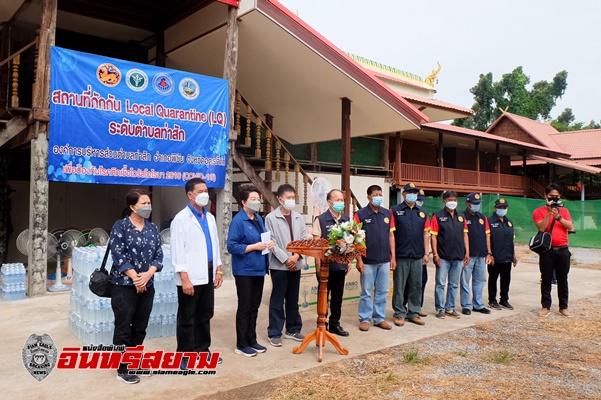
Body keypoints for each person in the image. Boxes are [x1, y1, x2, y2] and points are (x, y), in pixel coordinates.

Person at [109, 188, 163, 384]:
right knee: (124, 328)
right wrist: (135, 277)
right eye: (144, 203)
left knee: (140, 327)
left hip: (147, 285)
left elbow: (159, 255)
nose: (148, 206)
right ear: (132, 206)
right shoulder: (120, 226)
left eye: (149, 203)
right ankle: (122, 369)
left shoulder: (152, 228)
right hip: (123, 286)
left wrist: (147, 275)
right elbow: (118, 255)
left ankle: (135, 361)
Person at [171, 178, 223, 368]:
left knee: (205, 315)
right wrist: (184, 278)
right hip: (190, 276)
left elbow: (215, 245)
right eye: (200, 191)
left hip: (208, 273)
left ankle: (202, 350)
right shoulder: (181, 219)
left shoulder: (208, 217)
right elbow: (177, 251)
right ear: (190, 195)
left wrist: (218, 269)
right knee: (187, 317)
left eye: (206, 190)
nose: (205, 194)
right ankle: (184, 355)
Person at [227, 186, 275, 357]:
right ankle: (241, 344)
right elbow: (231, 246)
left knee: (254, 307)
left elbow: (264, 237)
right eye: (253, 199)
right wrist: (253, 246)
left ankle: (252, 340)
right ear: (243, 202)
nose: (257, 202)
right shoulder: (238, 221)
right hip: (244, 270)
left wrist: (270, 243)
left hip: (258, 269)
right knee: (245, 307)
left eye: (258, 198)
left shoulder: (257, 218)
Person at [265, 184, 310, 347]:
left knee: (293, 298)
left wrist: (297, 256)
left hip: (296, 264)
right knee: (277, 299)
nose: (291, 200)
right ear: (280, 199)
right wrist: (286, 259)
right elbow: (272, 242)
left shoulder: (298, 217)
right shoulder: (271, 218)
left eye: (293, 197)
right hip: (279, 265)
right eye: (288, 198)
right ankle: (274, 332)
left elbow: (304, 239)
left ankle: (293, 329)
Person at [354, 185, 394, 331]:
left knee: (383, 291)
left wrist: (393, 257)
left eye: (380, 194)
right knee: (366, 291)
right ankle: (365, 318)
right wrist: (359, 260)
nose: (378, 197)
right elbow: (356, 238)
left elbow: (391, 235)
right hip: (367, 260)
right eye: (376, 195)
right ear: (368, 197)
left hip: (384, 260)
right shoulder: (360, 214)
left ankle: (379, 318)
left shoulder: (387, 214)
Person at [312, 189, 350, 337]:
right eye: (337, 200)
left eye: (342, 200)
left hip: (340, 266)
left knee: (337, 297)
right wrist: (317, 266)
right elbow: (316, 246)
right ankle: (322, 324)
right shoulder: (320, 219)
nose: (340, 203)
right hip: (325, 267)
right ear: (329, 202)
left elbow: (350, 244)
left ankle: (335, 324)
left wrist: (348, 262)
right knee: (323, 296)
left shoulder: (346, 220)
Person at [391, 183, 430, 327]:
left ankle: (413, 312)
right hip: (401, 254)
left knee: (416, 285)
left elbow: (426, 234)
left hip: (418, 255)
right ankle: (399, 313)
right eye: (409, 192)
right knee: (400, 286)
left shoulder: (423, 212)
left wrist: (426, 253)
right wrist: (393, 255)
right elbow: (391, 235)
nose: (412, 195)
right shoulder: (395, 210)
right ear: (403, 194)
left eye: (414, 192)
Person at [533, 184, 574, 317]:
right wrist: (549, 213)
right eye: (551, 196)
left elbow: (570, 226)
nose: (554, 199)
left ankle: (564, 306)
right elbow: (541, 228)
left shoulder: (565, 211)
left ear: (560, 197)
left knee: (563, 279)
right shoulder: (538, 211)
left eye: (556, 196)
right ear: (546, 196)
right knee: (546, 278)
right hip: (547, 250)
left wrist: (558, 217)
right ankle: (545, 306)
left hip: (562, 249)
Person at [430, 191, 469, 319]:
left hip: (458, 256)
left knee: (454, 284)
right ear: (444, 201)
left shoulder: (461, 216)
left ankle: (450, 308)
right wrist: (435, 254)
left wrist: (467, 252)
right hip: (443, 256)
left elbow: (465, 235)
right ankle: (440, 308)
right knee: (440, 283)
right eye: (450, 199)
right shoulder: (438, 216)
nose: (453, 202)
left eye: (455, 199)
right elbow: (434, 236)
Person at [460, 193, 492, 315]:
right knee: (465, 281)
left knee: (480, 280)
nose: (476, 205)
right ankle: (466, 305)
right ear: (468, 203)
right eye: (474, 203)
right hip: (468, 255)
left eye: (478, 203)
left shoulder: (483, 218)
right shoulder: (462, 216)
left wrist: (489, 252)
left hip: (481, 254)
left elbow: (487, 236)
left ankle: (478, 305)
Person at [488, 198, 518, 310]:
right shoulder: (490, 221)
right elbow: (487, 239)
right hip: (495, 256)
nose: (502, 209)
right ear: (495, 208)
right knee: (493, 278)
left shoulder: (509, 222)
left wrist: (513, 255)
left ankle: (504, 299)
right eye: (500, 207)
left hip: (507, 256)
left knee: (506, 279)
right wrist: (489, 254)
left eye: (504, 207)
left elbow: (512, 240)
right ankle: (492, 300)